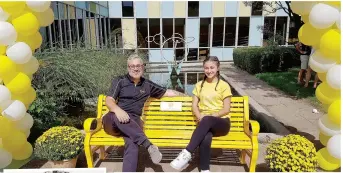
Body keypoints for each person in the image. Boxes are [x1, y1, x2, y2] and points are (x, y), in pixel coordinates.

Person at [102, 54, 178, 172]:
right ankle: (148, 145)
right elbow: (109, 100)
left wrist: (189, 97)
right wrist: (118, 110)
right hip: (113, 121)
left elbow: (167, 92)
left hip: (132, 123)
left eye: (138, 66)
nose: (135, 68)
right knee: (114, 116)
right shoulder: (120, 81)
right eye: (132, 66)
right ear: (128, 67)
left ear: (143, 67)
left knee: (132, 144)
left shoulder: (147, 84)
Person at [170, 56, 232, 172]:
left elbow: (227, 109)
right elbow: (194, 106)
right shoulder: (199, 85)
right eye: (206, 68)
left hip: (222, 123)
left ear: (218, 68)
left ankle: (187, 152)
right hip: (205, 123)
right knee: (206, 137)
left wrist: (211, 116)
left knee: (208, 119)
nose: (209, 71)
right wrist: (200, 117)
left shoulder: (224, 86)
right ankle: (204, 169)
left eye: (212, 68)